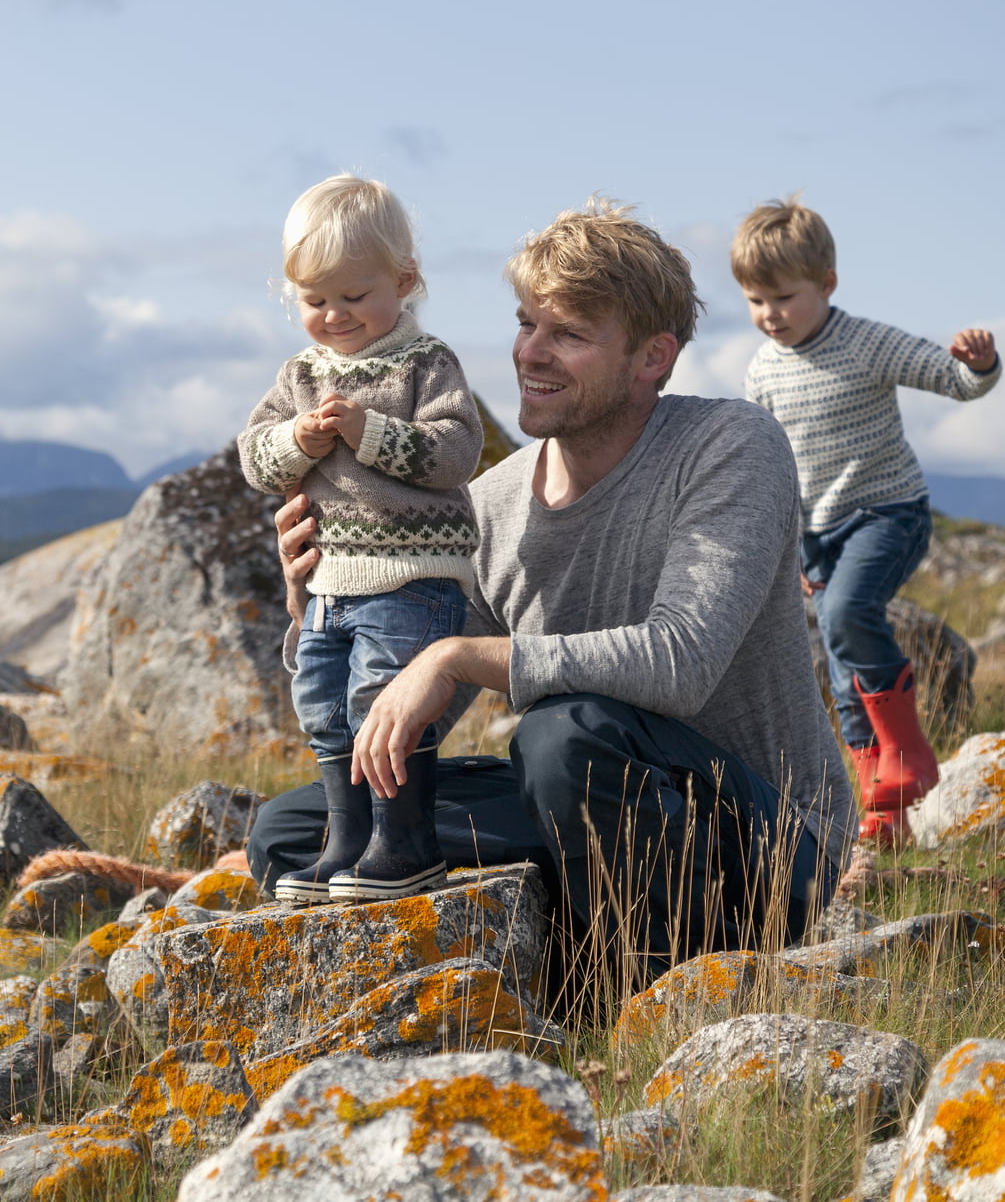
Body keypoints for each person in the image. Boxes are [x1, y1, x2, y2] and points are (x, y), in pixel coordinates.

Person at [249, 197, 854, 1015]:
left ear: (651, 358)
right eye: (525, 323)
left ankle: (650, 1003)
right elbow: (405, 700)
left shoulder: (729, 447)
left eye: (566, 335)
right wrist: (320, 605)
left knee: (564, 732)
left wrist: (455, 656)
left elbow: (679, 660)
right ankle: (551, 961)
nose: (530, 353)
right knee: (301, 828)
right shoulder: (490, 501)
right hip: (594, 809)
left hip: (769, 839)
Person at [237, 175, 483, 905]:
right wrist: (297, 438)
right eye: (315, 300)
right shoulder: (300, 375)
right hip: (327, 585)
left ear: (403, 282)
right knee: (322, 704)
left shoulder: (424, 362)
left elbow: (454, 451)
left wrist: (363, 431)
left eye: (353, 296)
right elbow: (253, 457)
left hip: (411, 577)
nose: (334, 315)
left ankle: (404, 846)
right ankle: (348, 844)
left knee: (382, 703)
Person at [734, 195, 1000, 847]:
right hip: (815, 537)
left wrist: (979, 363)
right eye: (753, 301)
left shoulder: (867, 342)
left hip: (887, 515)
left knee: (849, 614)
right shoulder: (762, 371)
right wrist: (783, 550)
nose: (769, 315)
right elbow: (767, 469)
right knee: (837, 667)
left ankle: (908, 754)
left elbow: (956, 382)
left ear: (826, 284)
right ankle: (884, 814)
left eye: (783, 298)